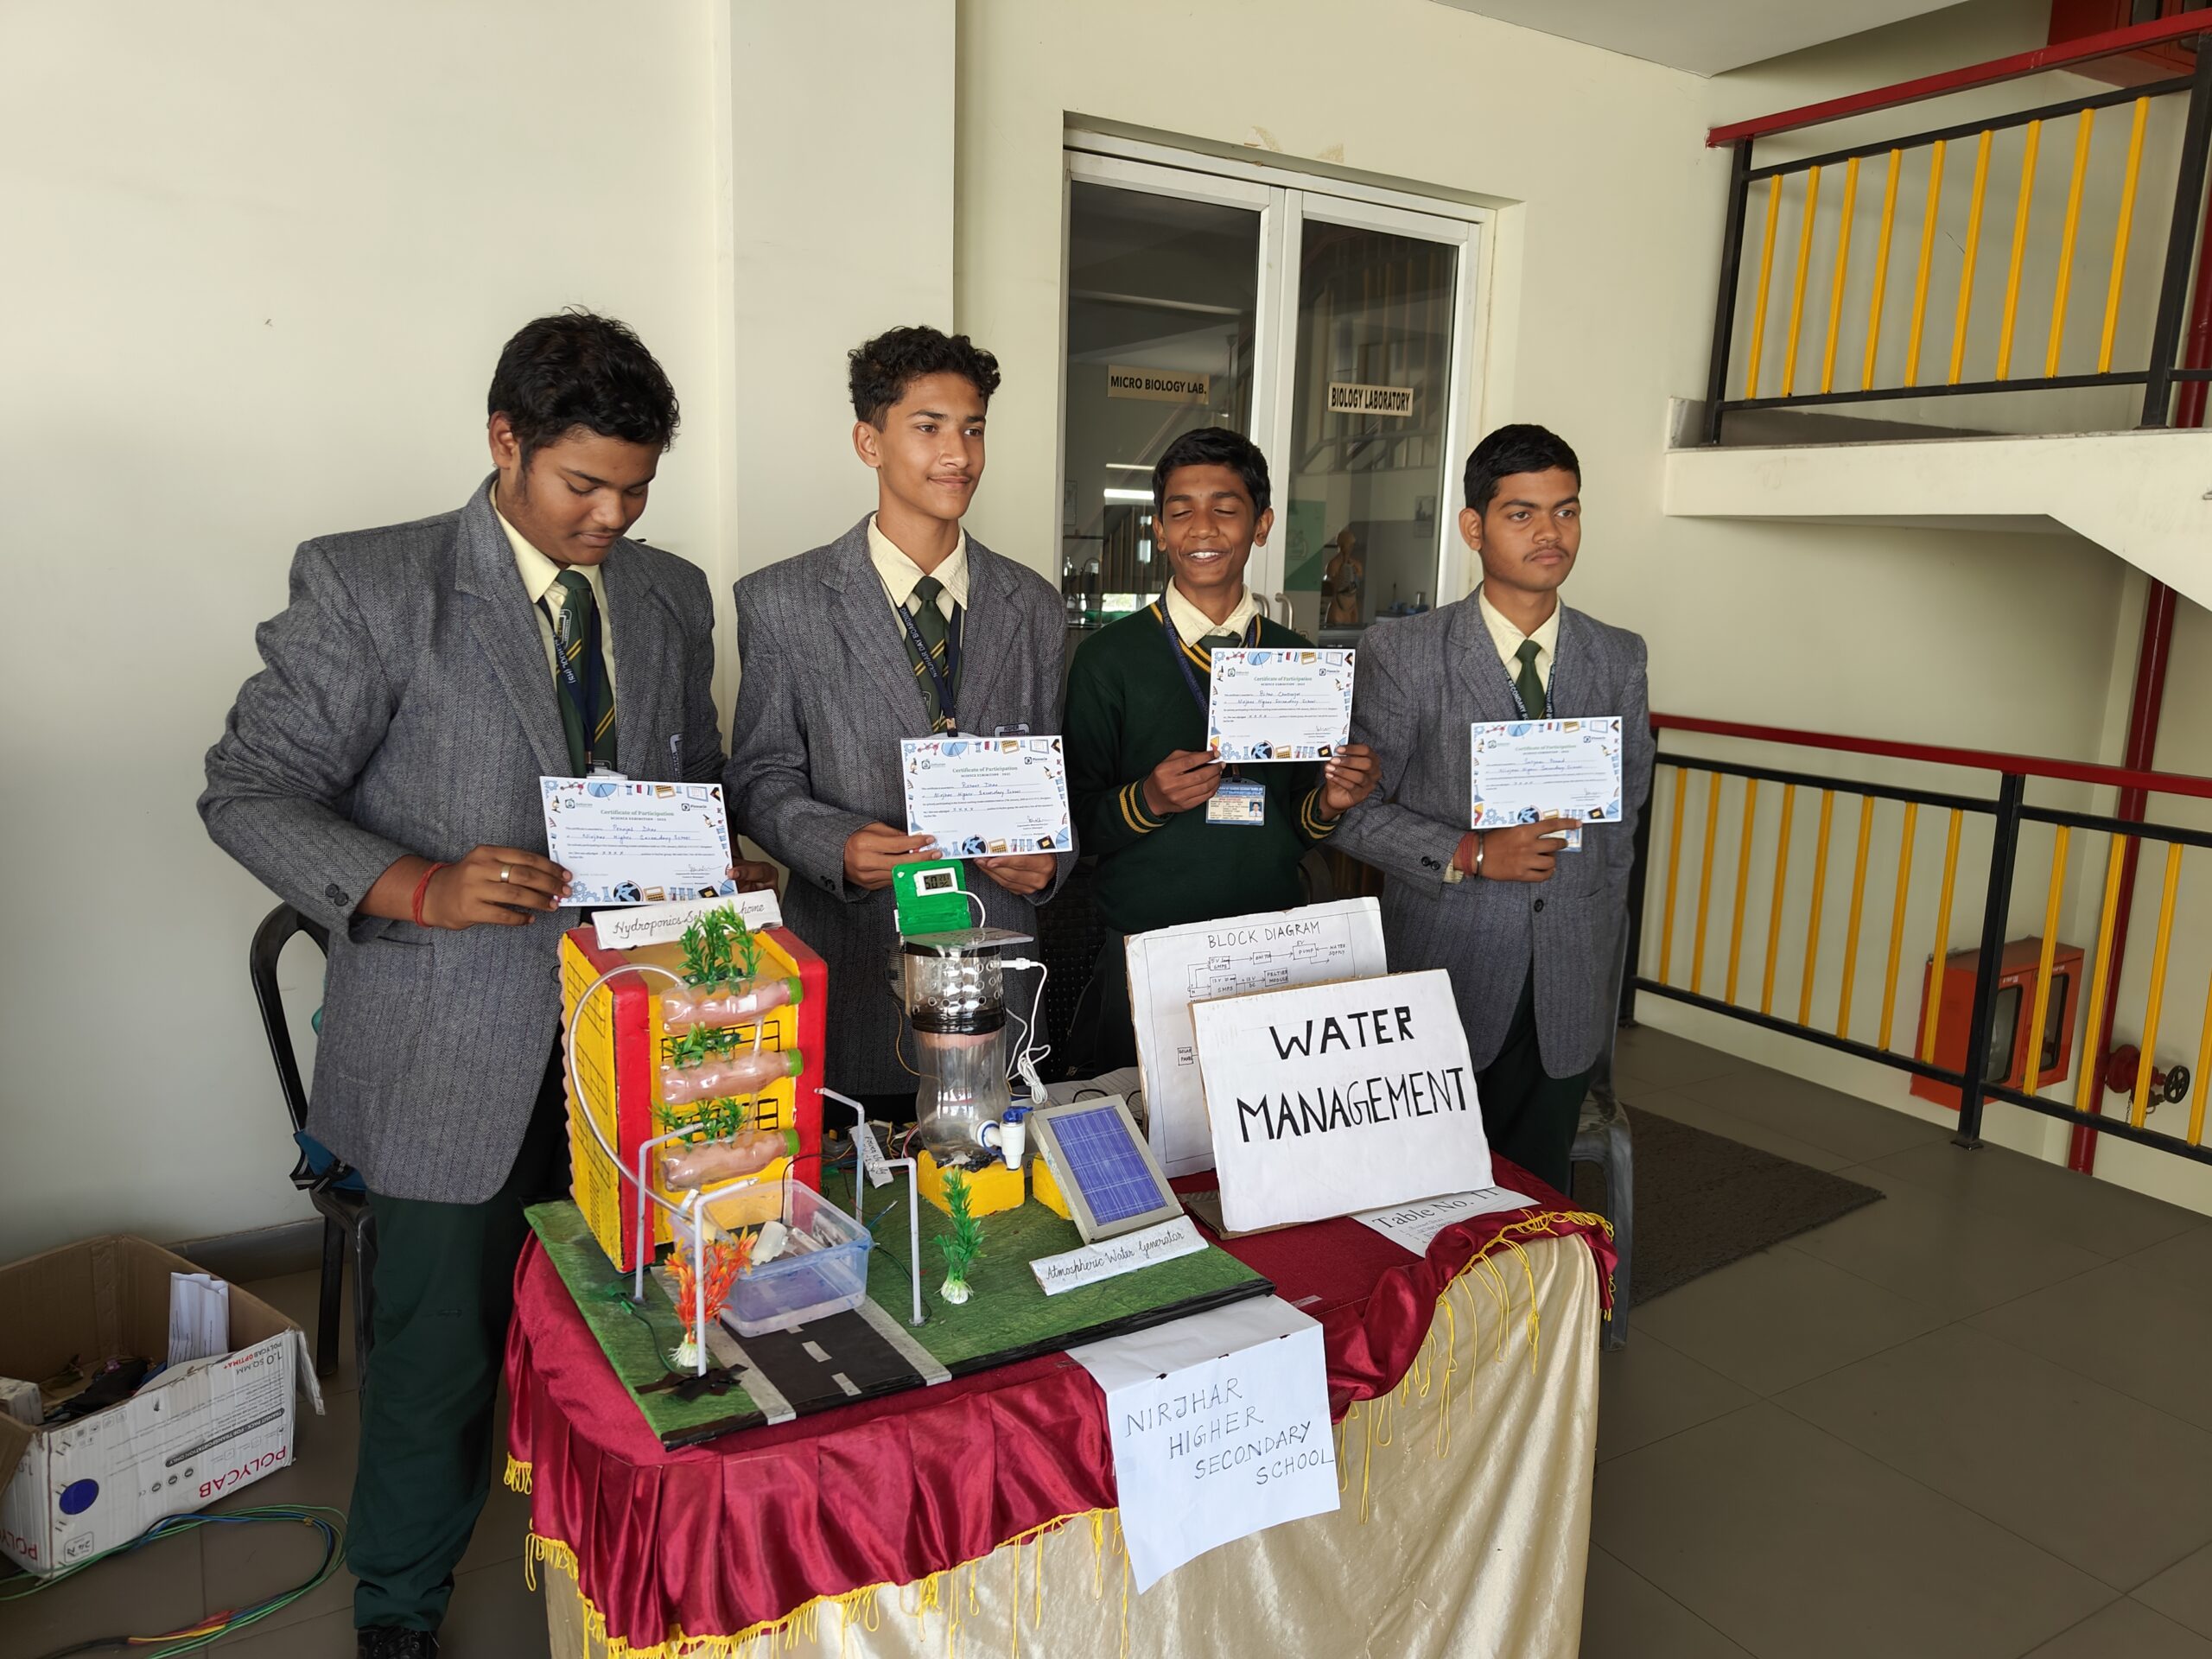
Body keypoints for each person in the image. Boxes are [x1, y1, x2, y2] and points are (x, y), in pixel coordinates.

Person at [200, 312, 768, 1659]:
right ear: (505, 441)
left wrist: (718, 854)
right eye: (585, 485)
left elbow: (691, 776)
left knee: (652, 1325)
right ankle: (398, 1611)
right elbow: (248, 791)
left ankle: (639, 1583)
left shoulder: (669, 594)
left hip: (635, 1035)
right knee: (438, 1363)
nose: (612, 517)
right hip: (450, 1049)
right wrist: (419, 885)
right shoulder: (374, 584)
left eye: (637, 489)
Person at [726, 326, 1071, 1119]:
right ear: (869, 442)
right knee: (860, 1180)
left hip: (998, 976)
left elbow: (1057, 773)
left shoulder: (1033, 605)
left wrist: (1051, 861)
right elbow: (759, 776)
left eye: (973, 429)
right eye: (929, 427)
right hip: (853, 960)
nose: (959, 453)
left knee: (996, 1185)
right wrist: (834, 847)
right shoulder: (782, 601)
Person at [1332, 423, 1653, 1192]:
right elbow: (1352, 812)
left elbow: (1624, 815)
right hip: (1449, 968)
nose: (1550, 533)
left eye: (1566, 511)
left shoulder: (1618, 655)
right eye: (1522, 514)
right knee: (1426, 1200)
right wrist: (1472, 853)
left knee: (1535, 1202)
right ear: (1474, 528)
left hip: (1568, 979)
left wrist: (1595, 926)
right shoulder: (1404, 654)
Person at [1062, 427, 1381, 1074]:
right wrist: (1150, 799)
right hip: (1147, 945)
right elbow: (1075, 825)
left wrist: (1332, 801)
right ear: (1158, 529)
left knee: (1262, 1113)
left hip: (1271, 942)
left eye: (1226, 509)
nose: (1202, 528)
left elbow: (1296, 824)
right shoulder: (1108, 659)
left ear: (1261, 525)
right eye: (1181, 511)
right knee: (1140, 1119)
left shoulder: (1298, 658)